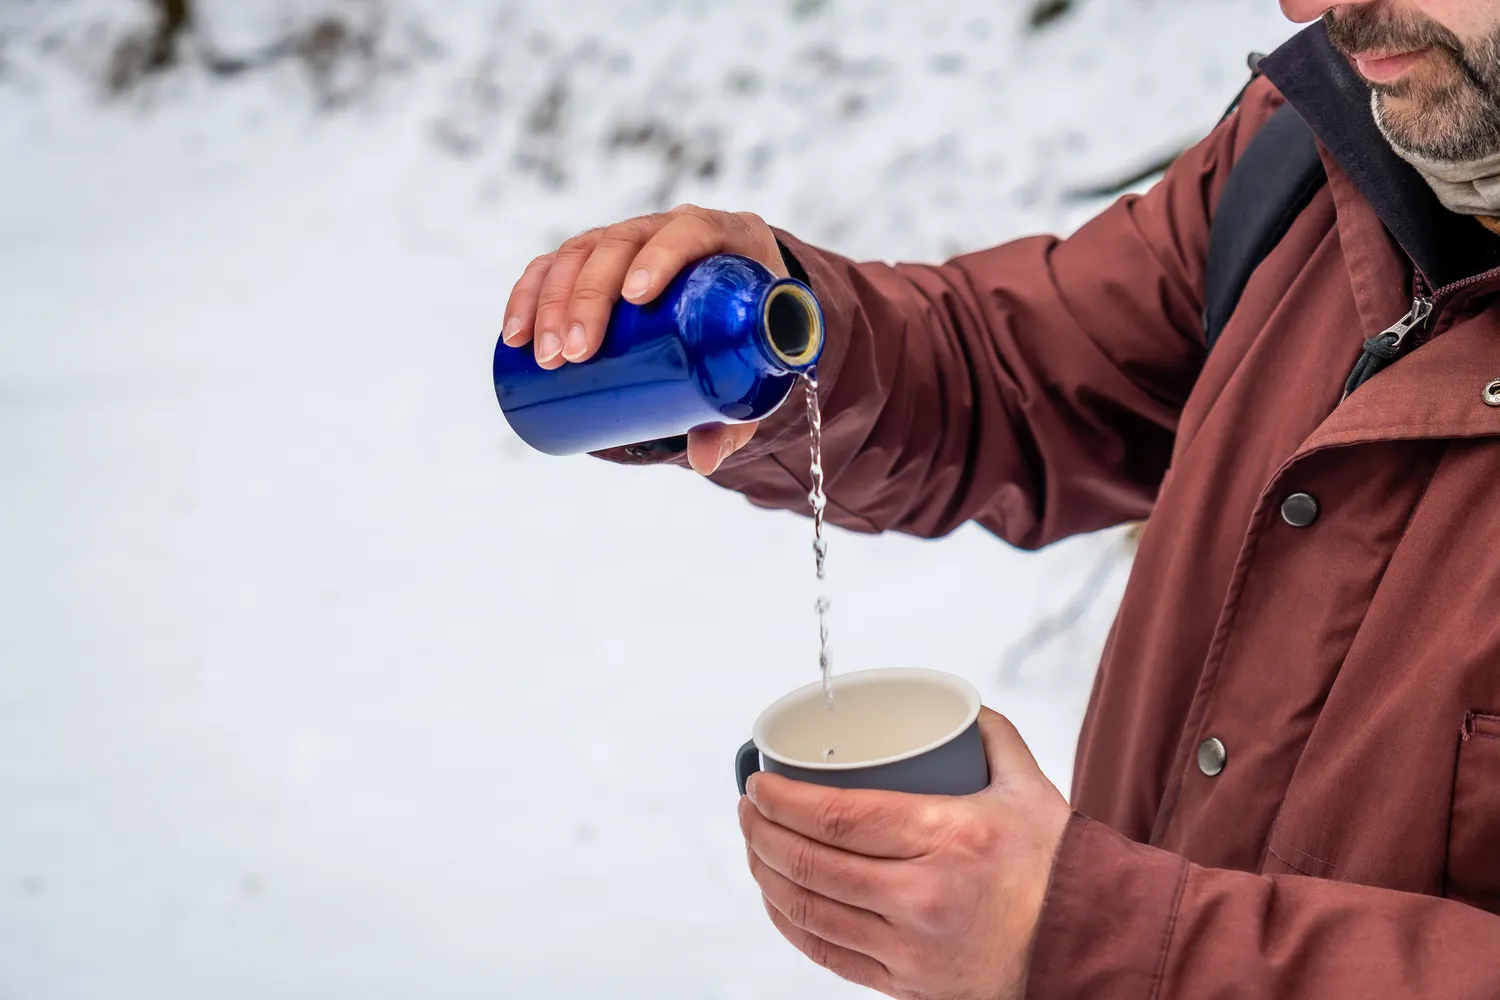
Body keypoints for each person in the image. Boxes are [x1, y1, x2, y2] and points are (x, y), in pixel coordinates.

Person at [501, 1, 1500, 997]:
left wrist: (1095, 940)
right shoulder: (1320, 154)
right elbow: (1026, 373)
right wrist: (799, 340)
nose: (1306, 3)